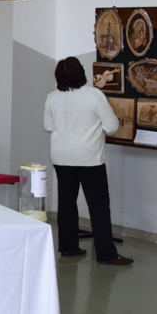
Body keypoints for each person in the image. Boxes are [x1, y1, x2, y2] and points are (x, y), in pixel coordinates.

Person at [43, 56, 133, 265]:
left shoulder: (52, 97)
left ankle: (68, 246)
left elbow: (48, 126)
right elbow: (112, 127)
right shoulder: (94, 95)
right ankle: (106, 253)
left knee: (66, 202)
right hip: (89, 157)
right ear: (81, 73)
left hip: (61, 156)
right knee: (98, 205)